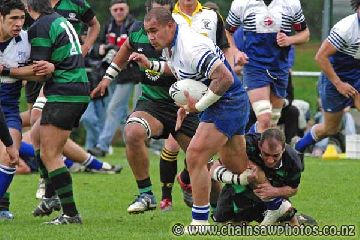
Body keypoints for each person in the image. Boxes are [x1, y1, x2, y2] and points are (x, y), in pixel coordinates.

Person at [129, 7, 250, 226]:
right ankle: (276, 208)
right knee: (239, 168)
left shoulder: (190, 47)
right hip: (222, 102)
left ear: (170, 26)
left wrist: (198, 106)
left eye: (154, 30)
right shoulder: (172, 45)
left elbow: (224, 79)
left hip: (228, 102)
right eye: (147, 32)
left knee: (195, 156)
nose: (150, 37)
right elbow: (178, 71)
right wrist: (151, 65)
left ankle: (200, 222)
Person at [91, 0, 199, 214]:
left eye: (166, 6)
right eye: (156, 5)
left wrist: (151, 65)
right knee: (132, 131)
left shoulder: (185, 34)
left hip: (185, 106)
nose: (160, 10)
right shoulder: (138, 31)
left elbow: (182, 69)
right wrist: (107, 79)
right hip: (152, 103)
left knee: (201, 159)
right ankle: (146, 194)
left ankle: (193, 184)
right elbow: (125, 51)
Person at [159, 0, 230, 211]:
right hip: (183, 92)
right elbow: (170, 62)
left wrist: (230, 72)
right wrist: (152, 67)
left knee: (205, 156)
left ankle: (204, 196)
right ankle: (167, 198)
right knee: (177, 147)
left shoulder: (211, 16)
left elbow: (224, 50)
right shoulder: (168, 19)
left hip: (213, 91)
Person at [24, 0, 89, 224]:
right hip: (75, 88)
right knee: (36, 135)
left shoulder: (40, 26)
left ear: (27, 6)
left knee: (50, 155)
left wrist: (9, 71)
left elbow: (40, 72)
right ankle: (52, 197)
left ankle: (70, 214)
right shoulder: (59, 20)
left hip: (64, 91)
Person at [225, 0, 310, 134]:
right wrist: (236, 52)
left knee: (271, 123)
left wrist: (289, 40)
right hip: (255, 67)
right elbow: (227, 32)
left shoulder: (291, 4)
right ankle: (253, 149)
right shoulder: (241, 3)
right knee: (264, 118)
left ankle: (252, 145)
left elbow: (305, 34)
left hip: (280, 68)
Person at [0, 0, 51, 220]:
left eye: (22, 18)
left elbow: (41, 74)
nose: (19, 23)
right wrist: (24, 71)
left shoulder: (26, 41)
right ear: (0, 18)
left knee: (10, 155)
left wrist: (8, 71)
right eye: (13, 18)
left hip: (10, 106)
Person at [295, 0, 360, 155]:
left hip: (357, 74)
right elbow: (320, 57)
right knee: (330, 128)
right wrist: (339, 84)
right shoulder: (345, 29)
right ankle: (298, 148)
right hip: (335, 78)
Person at [211, 128, 303, 225]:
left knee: (288, 226)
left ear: (283, 148)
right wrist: (241, 178)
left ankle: (284, 211)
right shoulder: (246, 144)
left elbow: (294, 189)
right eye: (266, 154)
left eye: (275, 156)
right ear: (259, 145)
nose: (270, 160)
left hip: (272, 198)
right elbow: (215, 167)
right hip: (240, 191)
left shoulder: (292, 161)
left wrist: (274, 191)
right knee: (229, 228)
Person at [87, 0, 141, 157]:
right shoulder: (108, 25)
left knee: (113, 108)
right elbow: (96, 46)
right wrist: (102, 48)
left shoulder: (134, 25)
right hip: (110, 73)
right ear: (111, 10)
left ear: (127, 9)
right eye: (115, 9)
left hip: (129, 74)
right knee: (122, 113)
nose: (118, 12)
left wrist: (113, 49)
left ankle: (102, 146)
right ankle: (133, 143)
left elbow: (135, 46)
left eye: (121, 9)